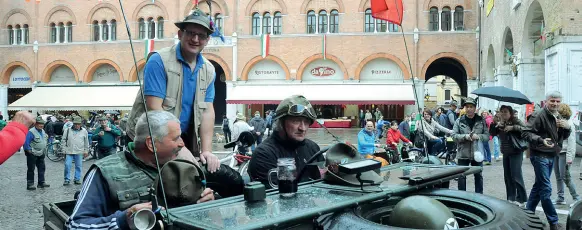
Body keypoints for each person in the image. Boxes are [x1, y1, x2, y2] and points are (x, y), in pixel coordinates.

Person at [67, 111, 215, 230]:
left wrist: (204, 204)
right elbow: (75, 225)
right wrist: (123, 220)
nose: (182, 144)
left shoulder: (182, 166)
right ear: (151, 144)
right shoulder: (104, 172)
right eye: (176, 138)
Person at [126, 9, 220, 173]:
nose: (195, 39)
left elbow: (207, 111)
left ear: (207, 40)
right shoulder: (159, 61)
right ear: (180, 34)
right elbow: (154, 109)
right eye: (190, 33)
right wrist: (179, 147)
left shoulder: (209, 70)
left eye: (201, 35)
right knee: (150, 183)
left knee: (185, 184)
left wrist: (206, 151)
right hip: (148, 139)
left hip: (178, 138)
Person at [248, 95, 324, 188]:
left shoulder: (312, 147)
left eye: (306, 122)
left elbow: (323, 183)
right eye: (296, 121)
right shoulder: (264, 154)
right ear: (281, 122)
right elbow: (272, 198)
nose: (302, 128)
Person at [521, 91, 571, 230]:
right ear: (546, 101)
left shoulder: (558, 116)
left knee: (539, 187)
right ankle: (553, 222)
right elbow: (525, 132)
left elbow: (562, 136)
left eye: (557, 101)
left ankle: (527, 215)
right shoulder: (538, 115)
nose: (555, 103)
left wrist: (567, 128)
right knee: (546, 189)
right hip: (540, 156)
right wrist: (541, 140)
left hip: (551, 155)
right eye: (552, 101)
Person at [489, 105, 528, 207]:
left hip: (516, 151)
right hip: (506, 152)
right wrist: (495, 124)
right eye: (501, 112)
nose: (503, 114)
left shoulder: (516, 121)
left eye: (505, 112)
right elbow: (492, 133)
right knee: (508, 176)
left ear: (510, 113)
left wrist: (513, 128)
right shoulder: (501, 123)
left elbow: (526, 129)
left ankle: (522, 199)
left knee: (516, 175)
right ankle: (511, 198)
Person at [451, 97, 488, 194]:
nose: (469, 109)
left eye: (471, 107)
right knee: (461, 177)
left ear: (475, 108)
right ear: (464, 108)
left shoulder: (481, 120)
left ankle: (479, 197)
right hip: (463, 153)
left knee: (478, 176)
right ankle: (462, 197)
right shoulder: (459, 121)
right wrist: (465, 137)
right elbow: (454, 136)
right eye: (467, 107)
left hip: (477, 153)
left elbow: (487, 136)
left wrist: (478, 136)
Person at [552, 103, 580, 206]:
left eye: (558, 111)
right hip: (557, 152)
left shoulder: (569, 124)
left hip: (564, 154)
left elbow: (571, 143)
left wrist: (569, 158)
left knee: (566, 177)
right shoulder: (558, 123)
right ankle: (560, 197)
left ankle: (577, 198)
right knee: (558, 176)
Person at [23, 117, 51, 190]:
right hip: (32, 153)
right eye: (39, 124)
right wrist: (29, 151)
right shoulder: (31, 132)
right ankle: (30, 184)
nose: (41, 125)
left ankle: (41, 183)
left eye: (42, 124)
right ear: (36, 124)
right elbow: (26, 143)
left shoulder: (43, 131)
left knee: (42, 168)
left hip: (41, 153)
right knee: (31, 169)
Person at [62, 116, 89, 185]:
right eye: (76, 124)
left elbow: (86, 142)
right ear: (73, 124)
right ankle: (67, 179)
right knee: (67, 165)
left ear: (81, 124)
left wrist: (86, 150)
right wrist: (63, 150)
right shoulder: (67, 130)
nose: (77, 125)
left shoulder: (84, 131)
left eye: (78, 124)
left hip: (79, 151)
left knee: (78, 166)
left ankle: (77, 179)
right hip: (69, 151)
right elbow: (63, 140)